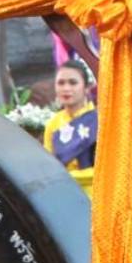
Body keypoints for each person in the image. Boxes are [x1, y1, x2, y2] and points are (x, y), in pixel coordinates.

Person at [41, 60, 97, 197]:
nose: (66, 88)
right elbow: (48, 166)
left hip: (94, 195)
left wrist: (67, 176)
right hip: (63, 195)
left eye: (73, 83)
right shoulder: (53, 123)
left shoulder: (100, 121)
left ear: (87, 87)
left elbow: (107, 169)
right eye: (61, 83)